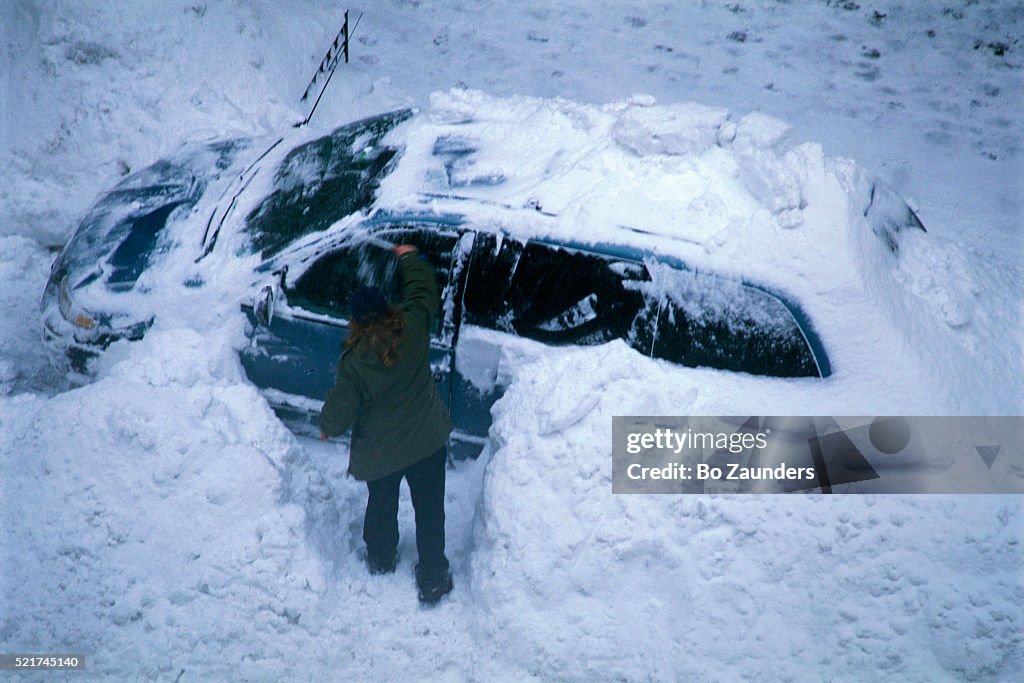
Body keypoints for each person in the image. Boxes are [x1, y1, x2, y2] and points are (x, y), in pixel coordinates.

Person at [318, 243, 454, 605]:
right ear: (386, 308)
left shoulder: (355, 361)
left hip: (383, 454)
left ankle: (380, 558)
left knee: (381, 504)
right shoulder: (414, 324)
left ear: (357, 321)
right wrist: (409, 257)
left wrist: (327, 426)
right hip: (427, 442)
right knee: (429, 509)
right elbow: (423, 290)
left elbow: (342, 404)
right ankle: (433, 575)